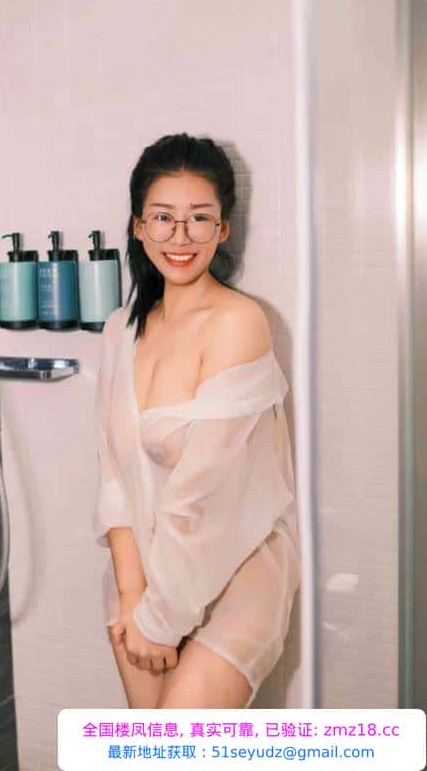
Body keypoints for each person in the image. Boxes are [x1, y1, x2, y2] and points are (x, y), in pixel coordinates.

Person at [92, 132, 301, 708]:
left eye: (199, 219)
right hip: (143, 569)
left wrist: (159, 621)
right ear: (138, 226)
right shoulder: (119, 331)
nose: (180, 238)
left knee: (178, 745)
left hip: (235, 564)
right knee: (149, 744)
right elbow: (113, 473)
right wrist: (132, 595)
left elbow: (204, 497)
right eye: (163, 218)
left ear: (222, 229)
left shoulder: (239, 323)